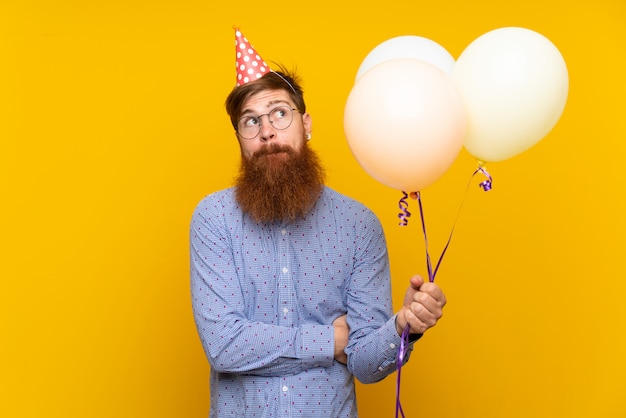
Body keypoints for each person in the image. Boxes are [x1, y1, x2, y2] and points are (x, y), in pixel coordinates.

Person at [190, 29, 447, 418]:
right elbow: (225, 345)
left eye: (279, 113)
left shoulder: (359, 227)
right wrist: (331, 340)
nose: (267, 132)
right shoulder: (214, 219)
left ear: (306, 124)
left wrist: (403, 326)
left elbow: (363, 362)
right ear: (240, 138)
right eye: (250, 121)